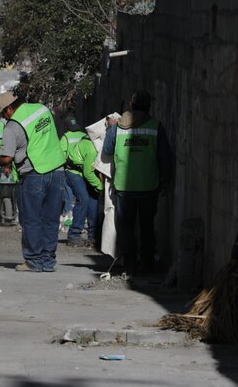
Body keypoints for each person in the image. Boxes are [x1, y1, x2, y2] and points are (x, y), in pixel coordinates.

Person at [102, 90, 172, 275]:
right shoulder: (156, 127)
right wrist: (166, 180)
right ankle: (148, 263)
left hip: (124, 187)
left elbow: (108, 149)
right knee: (147, 226)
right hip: (149, 185)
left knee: (126, 227)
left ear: (131, 106)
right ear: (149, 107)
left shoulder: (117, 127)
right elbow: (164, 157)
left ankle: (130, 264)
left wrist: (110, 128)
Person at [0, 92, 65, 272]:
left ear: (10, 108)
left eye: (3, 113)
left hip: (34, 174)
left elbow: (7, 157)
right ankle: (48, 261)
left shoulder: (12, 126)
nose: (3, 116)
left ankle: (33, 261)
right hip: (57, 171)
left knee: (32, 219)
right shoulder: (42, 109)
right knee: (50, 219)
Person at [64, 117, 103, 248]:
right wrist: (100, 186)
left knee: (93, 200)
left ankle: (93, 236)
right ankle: (74, 235)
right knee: (84, 199)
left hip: (81, 171)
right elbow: (88, 173)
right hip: (74, 173)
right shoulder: (92, 148)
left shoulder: (90, 142)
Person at [59, 117, 86, 214]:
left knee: (68, 194)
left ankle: (68, 214)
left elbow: (61, 156)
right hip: (84, 170)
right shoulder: (84, 135)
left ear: (66, 127)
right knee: (82, 196)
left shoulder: (65, 137)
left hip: (71, 171)